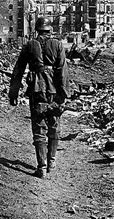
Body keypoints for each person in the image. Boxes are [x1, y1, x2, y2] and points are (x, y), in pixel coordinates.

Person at [8, 17, 70, 178]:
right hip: (54, 90)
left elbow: (18, 70)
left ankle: (41, 166)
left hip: (37, 90)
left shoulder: (29, 45)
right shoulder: (57, 44)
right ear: (50, 30)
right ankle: (52, 161)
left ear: (37, 29)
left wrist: (13, 92)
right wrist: (64, 94)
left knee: (39, 127)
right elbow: (63, 71)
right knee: (54, 125)